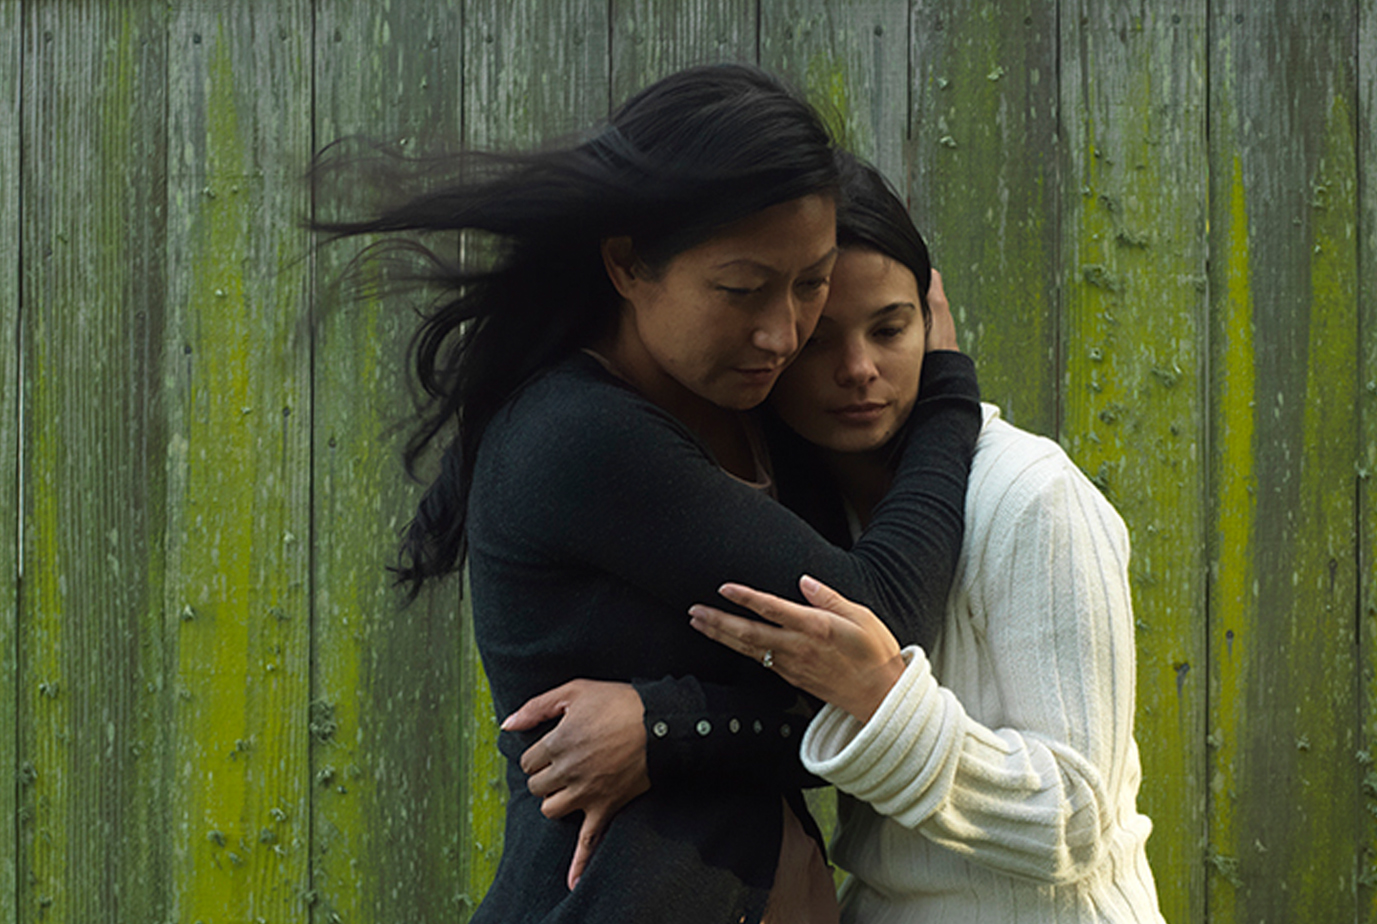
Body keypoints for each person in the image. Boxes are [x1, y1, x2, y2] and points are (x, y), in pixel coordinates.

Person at [313, 66, 982, 923]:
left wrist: (667, 728)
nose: (783, 330)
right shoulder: (581, 437)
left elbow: (845, 711)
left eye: (809, 281)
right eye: (740, 290)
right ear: (628, 264)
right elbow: (877, 617)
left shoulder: (741, 403)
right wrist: (948, 393)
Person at [688, 154, 1166, 921]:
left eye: (890, 328)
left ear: (932, 322)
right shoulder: (800, 517)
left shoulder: (1030, 494)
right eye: (818, 342)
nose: (858, 369)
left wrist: (881, 701)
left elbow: (1073, 822)